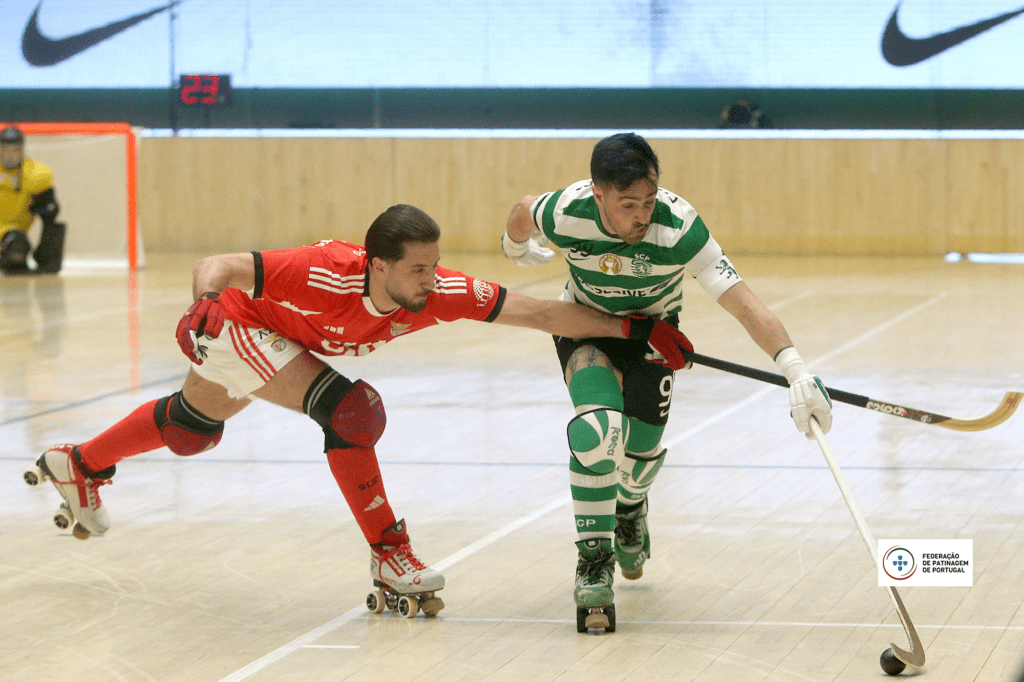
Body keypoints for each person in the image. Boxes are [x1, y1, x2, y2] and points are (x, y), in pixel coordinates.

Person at [27, 203, 694, 615]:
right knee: (353, 412)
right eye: (417, 271)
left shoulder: (437, 292)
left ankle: (77, 464)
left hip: (279, 342)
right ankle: (390, 555)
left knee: (190, 430)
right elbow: (218, 264)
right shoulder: (320, 271)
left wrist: (635, 329)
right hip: (229, 326)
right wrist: (201, 304)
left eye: (435, 267)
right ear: (377, 266)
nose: (431, 282)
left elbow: (542, 313)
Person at [500, 132, 832, 630]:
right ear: (598, 195)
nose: (642, 215)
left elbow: (744, 303)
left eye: (649, 200)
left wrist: (796, 370)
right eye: (628, 204)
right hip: (585, 328)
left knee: (640, 455)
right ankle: (594, 561)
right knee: (598, 432)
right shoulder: (567, 212)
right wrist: (515, 244)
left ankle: (631, 507)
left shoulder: (680, 227)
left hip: (654, 339)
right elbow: (524, 209)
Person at [1, 126, 65, 275]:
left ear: (22, 150)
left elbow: (51, 213)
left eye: (15, 150)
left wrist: (48, 247)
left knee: (17, 251)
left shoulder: (33, 174)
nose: (10, 155)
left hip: (13, 232)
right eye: (5, 150)